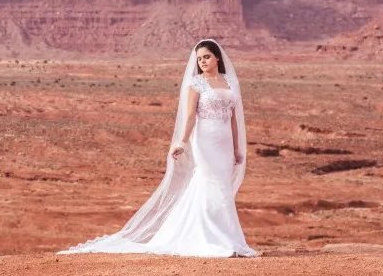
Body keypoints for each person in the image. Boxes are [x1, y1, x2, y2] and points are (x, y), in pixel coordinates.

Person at [59, 39, 258, 258]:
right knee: (211, 185)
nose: (202, 61)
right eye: (199, 58)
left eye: (207, 57)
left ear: (217, 57)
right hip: (205, 141)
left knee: (222, 187)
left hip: (225, 143)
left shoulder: (229, 82)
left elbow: (233, 119)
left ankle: (228, 239)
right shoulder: (196, 84)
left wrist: (238, 148)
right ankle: (209, 239)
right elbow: (191, 116)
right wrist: (182, 142)